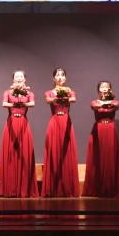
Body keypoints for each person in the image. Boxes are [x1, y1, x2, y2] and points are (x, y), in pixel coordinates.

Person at [0, 70, 38, 197]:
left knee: (24, 153)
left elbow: (32, 103)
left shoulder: (29, 93)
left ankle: (25, 188)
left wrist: (23, 103)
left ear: (25, 79)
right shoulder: (8, 92)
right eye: (17, 76)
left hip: (23, 123)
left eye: (21, 76)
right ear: (13, 79)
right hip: (11, 123)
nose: (19, 78)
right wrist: (14, 103)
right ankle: (10, 188)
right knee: (10, 154)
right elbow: (4, 103)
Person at [41, 68, 79, 197]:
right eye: (57, 75)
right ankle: (53, 188)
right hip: (55, 121)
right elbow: (48, 99)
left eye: (62, 75)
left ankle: (68, 187)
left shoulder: (69, 91)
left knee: (67, 152)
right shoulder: (49, 92)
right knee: (54, 151)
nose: (60, 77)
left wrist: (65, 94)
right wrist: (58, 95)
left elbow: (73, 99)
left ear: (65, 78)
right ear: (54, 78)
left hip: (66, 121)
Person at [82, 80, 119, 198]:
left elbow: (117, 105)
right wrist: (105, 104)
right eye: (102, 87)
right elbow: (94, 106)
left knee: (110, 157)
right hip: (99, 129)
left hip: (110, 129)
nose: (104, 88)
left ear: (110, 89)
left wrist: (108, 101)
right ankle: (98, 188)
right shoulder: (95, 102)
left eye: (107, 87)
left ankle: (110, 187)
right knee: (98, 157)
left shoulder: (114, 101)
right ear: (98, 90)